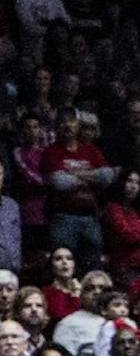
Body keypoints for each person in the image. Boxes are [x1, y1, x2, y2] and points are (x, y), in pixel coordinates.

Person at [43, 106, 115, 273]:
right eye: (63, 121)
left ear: (78, 125)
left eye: (71, 121)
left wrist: (75, 174)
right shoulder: (51, 152)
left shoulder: (91, 149)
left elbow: (107, 176)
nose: (68, 125)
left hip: (90, 217)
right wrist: (92, 175)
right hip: (63, 217)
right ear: (57, 126)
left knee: (93, 268)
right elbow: (60, 182)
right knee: (64, 268)